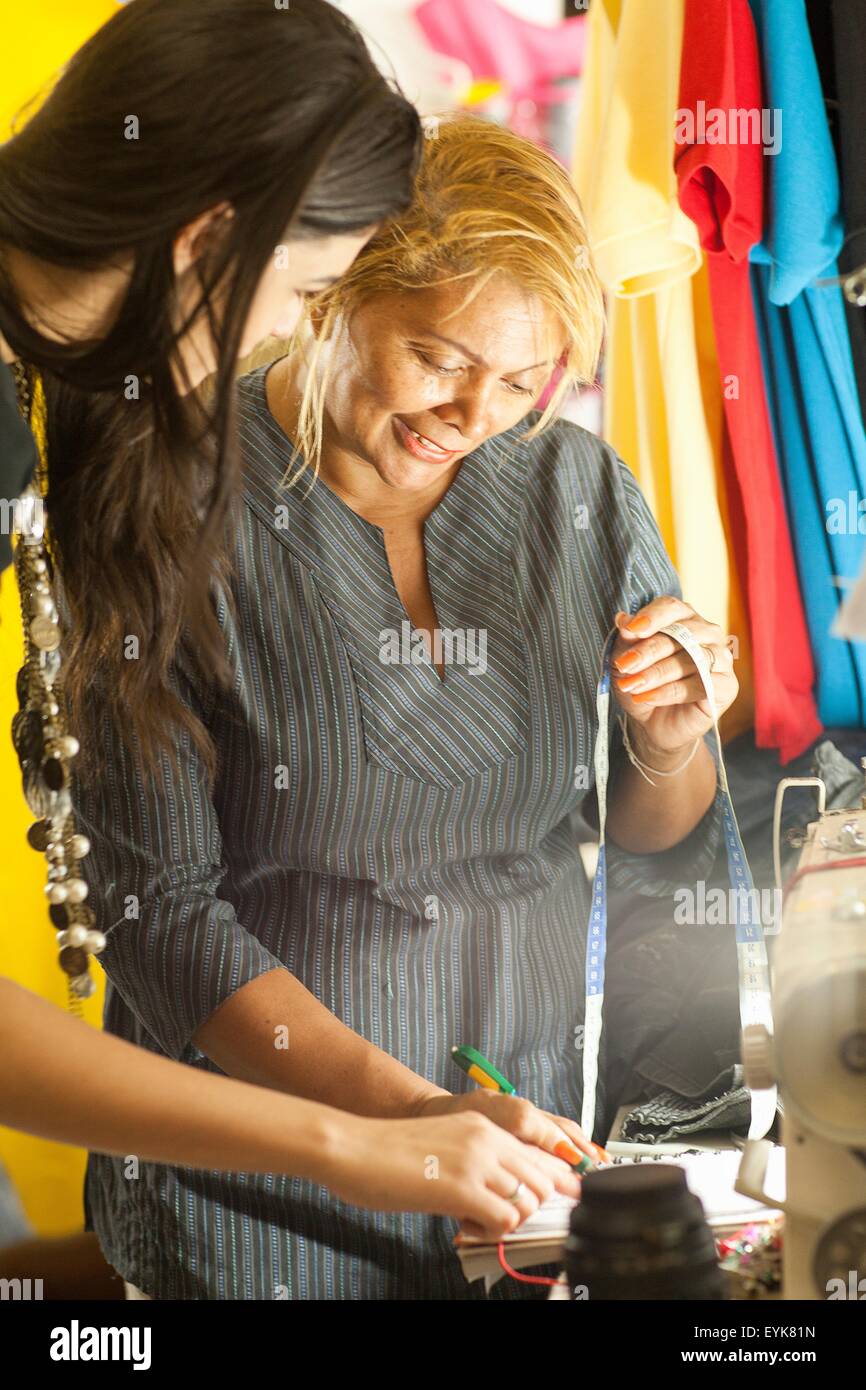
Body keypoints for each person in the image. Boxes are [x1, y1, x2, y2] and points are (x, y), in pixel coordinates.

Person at [78, 116, 740, 1300]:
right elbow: (158, 913)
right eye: (437, 357)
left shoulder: (571, 488)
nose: (474, 413)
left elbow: (650, 835)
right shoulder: (164, 503)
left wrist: (663, 742)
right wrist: (417, 1118)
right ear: (330, 297)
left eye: (521, 376)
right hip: (256, 1182)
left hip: (521, 1161)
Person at [0, 0, 580, 1238]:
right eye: (309, 284)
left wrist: (401, 1117)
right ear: (209, 236)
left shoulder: (81, 389)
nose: (286, 331)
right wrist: (352, 1143)